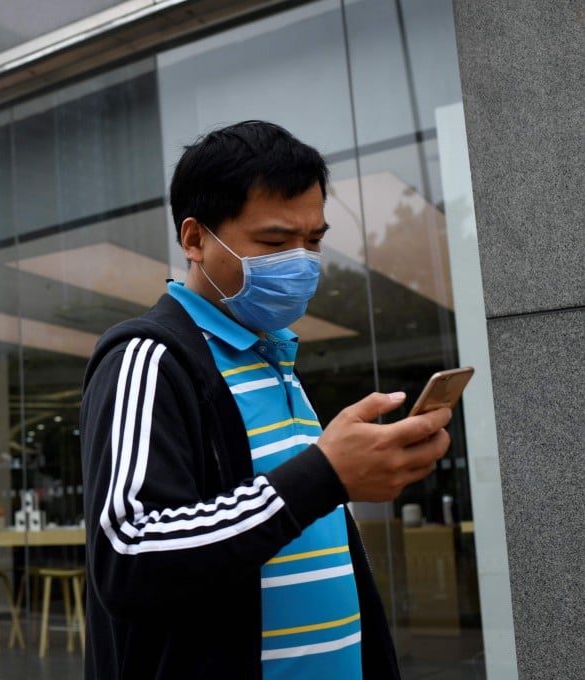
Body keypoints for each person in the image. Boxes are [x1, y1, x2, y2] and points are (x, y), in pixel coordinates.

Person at [79, 120, 453, 679]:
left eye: (315, 240)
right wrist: (324, 475)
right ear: (195, 239)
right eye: (276, 242)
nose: (301, 262)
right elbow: (129, 556)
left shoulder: (270, 356)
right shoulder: (151, 358)